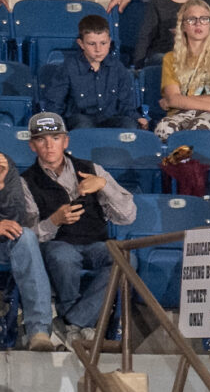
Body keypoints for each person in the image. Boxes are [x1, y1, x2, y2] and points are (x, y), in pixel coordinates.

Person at [21, 113, 135, 342]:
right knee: (62, 256)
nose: (49, 144)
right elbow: (27, 237)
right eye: (42, 139)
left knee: (126, 259)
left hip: (97, 243)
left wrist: (104, 186)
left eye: (55, 137)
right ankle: (82, 325)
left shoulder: (92, 169)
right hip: (57, 244)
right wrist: (54, 220)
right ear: (33, 145)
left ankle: (73, 322)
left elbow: (128, 216)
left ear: (66, 141)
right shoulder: (26, 181)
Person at [0, 148, 62, 351]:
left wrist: (1, 184)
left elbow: (17, 216)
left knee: (24, 236)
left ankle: (39, 330)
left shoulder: (4, 162)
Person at [35, 14, 144, 129]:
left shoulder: (117, 68)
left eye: (103, 43)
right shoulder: (69, 67)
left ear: (110, 42)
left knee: (129, 124)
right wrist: (53, 125)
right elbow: (55, 103)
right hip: (80, 120)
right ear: (81, 44)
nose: (98, 49)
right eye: (92, 44)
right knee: (83, 123)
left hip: (109, 119)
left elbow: (125, 105)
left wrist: (137, 118)